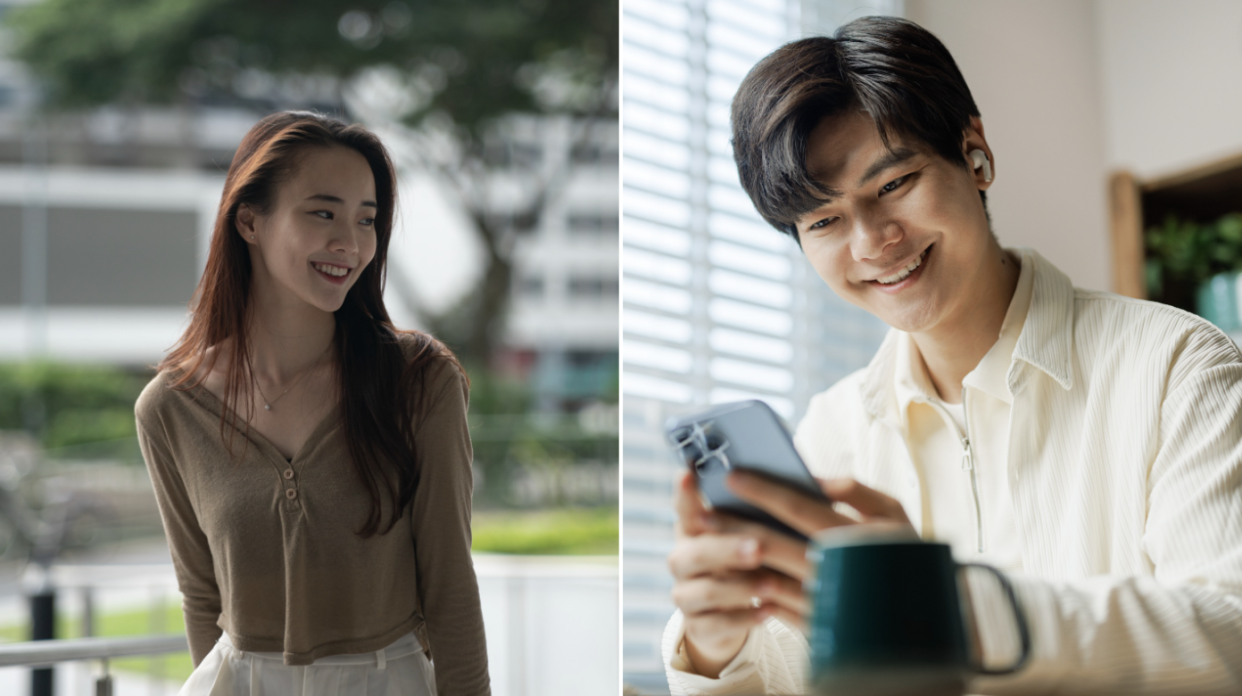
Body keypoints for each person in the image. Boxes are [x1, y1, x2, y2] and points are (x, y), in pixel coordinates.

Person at [662, 16, 1242, 696]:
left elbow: (1228, 632)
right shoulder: (830, 433)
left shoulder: (1178, 368)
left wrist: (948, 608)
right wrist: (712, 648)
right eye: (824, 221)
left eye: (893, 185)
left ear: (974, 152)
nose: (874, 242)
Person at [134, 111, 490, 696]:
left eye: (367, 219)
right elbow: (202, 595)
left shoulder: (420, 382)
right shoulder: (171, 409)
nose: (350, 243)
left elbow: (450, 584)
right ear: (249, 220)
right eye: (323, 213)